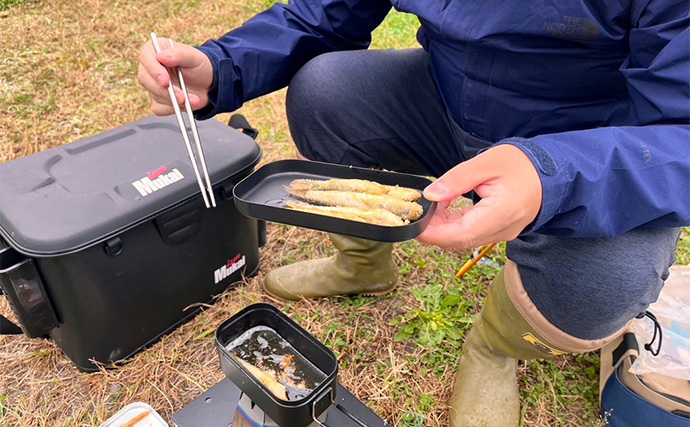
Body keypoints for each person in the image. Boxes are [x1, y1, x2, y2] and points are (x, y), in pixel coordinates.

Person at [138, 1, 690, 425]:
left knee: (607, 278)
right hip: (449, 101)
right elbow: (328, 11)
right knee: (324, 91)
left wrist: (553, 173)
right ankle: (365, 266)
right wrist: (221, 65)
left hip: (590, 140)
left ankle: (495, 348)